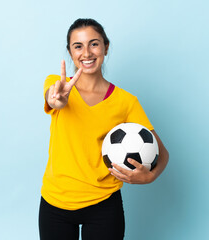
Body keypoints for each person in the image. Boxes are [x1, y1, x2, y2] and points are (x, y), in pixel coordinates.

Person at [39, 18, 169, 240]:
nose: (86, 53)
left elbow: (162, 153)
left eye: (94, 44)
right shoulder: (57, 86)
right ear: (70, 52)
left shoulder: (126, 102)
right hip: (55, 203)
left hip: (103, 205)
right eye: (78, 46)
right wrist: (57, 99)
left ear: (105, 47)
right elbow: (54, 100)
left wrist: (149, 177)